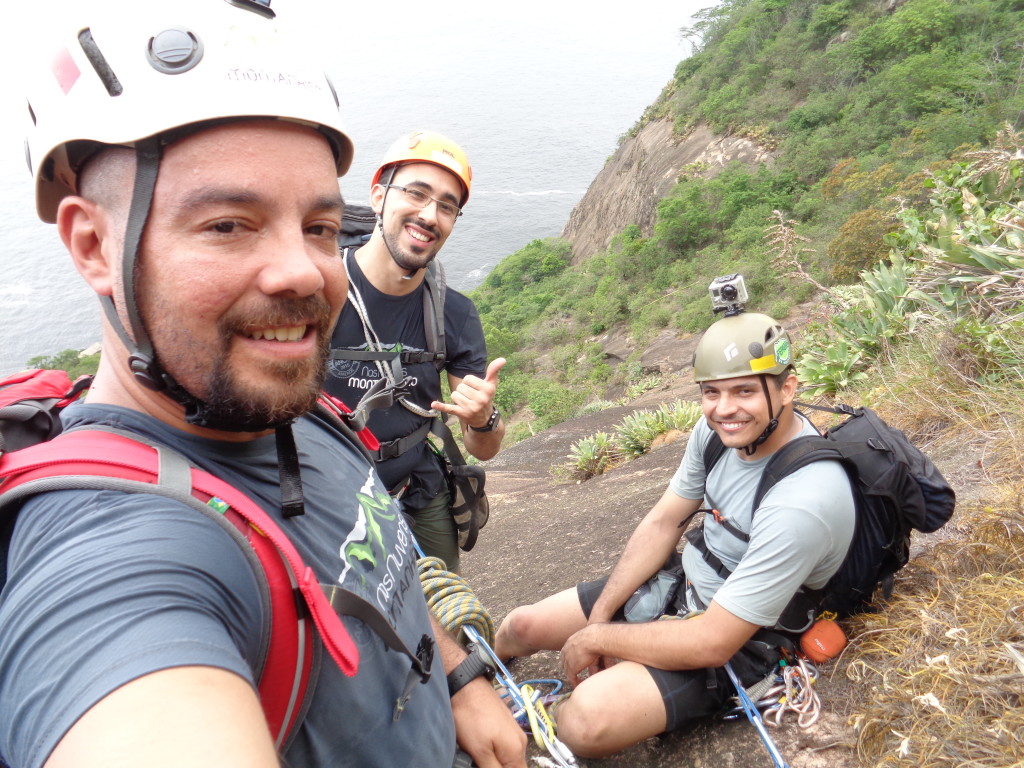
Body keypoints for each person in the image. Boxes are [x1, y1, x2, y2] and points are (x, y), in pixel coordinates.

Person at [0, 3, 525, 768]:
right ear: (92, 243)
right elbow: (131, 676)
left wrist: (461, 675)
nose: (301, 272)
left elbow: (378, 567)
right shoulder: (116, 556)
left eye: (316, 226)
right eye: (228, 224)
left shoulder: (302, 408)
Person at [494, 309, 856, 758]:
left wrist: (597, 639)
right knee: (521, 624)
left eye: (744, 390)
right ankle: (483, 679)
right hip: (686, 585)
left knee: (583, 720)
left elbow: (713, 640)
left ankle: (526, 721)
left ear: (787, 387)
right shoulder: (715, 434)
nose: (725, 409)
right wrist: (600, 618)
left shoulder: (805, 498)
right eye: (712, 393)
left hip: (746, 637)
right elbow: (665, 522)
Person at [325, 131, 505, 573]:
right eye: (417, 193)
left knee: (447, 615)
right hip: (326, 492)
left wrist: (483, 418)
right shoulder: (320, 287)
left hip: (413, 488)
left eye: (447, 206)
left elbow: (483, 448)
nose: (430, 214)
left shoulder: (454, 314)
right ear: (378, 196)